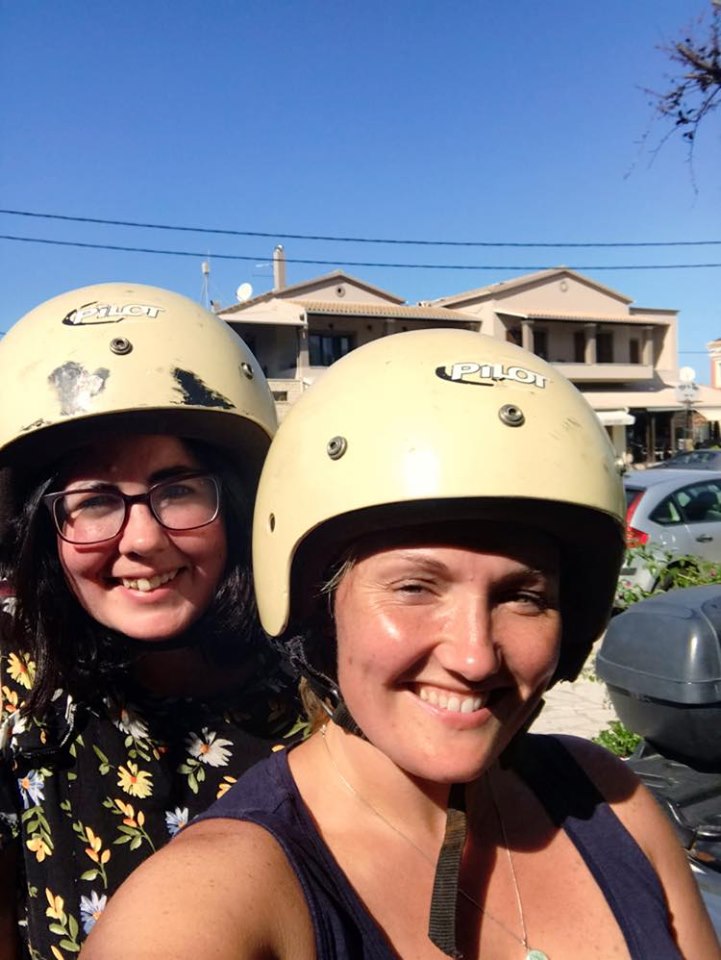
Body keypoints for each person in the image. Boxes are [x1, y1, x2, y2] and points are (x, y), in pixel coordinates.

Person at [84, 329, 720, 960]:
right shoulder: (213, 897)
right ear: (318, 610)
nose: (475, 658)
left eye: (523, 596)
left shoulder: (608, 800)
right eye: (415, 588)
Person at [0, 283, 300, 960]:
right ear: (43, 532)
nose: (142, 540)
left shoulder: (320, 701)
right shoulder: (19, 685)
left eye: (178, 490)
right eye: (95, 502)